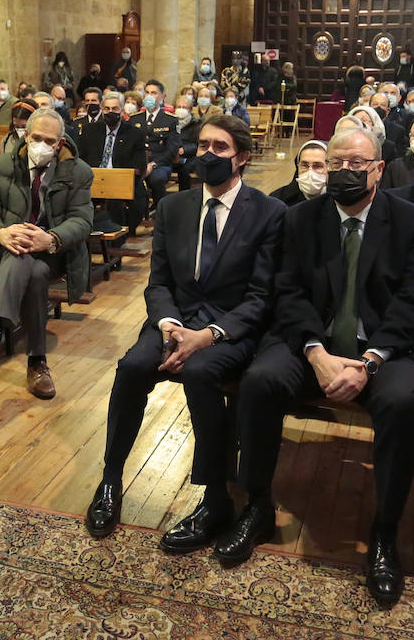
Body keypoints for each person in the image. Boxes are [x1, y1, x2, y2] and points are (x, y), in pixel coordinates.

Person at [221, 126, 414, 608]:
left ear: (378, 168)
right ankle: (256, 506)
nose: (343, 173)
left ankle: (384, 531)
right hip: (311, 341)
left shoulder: (413, 224)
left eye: (356, 164)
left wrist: (369, 362)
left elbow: (413, 304)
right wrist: (315, 354)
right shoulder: (299, 220)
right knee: (260, 381)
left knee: (404, 402)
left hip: (382, 348)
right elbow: (289, 292)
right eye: (335, 163)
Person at [86, 115, 286, 545]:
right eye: (202, 145)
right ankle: (110, 478)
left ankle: (216, 498)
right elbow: (158, 281)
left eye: (219, 148)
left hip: (229, 328)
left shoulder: (268, 213)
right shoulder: (175, 207)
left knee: (200, 373)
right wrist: (170, 325)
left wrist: (208, 335)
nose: (206, 155)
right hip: (173, 321)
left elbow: (260, 297)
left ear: (242, 158)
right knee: (132, 367)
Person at [0, 109, 94, 398]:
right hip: (11, 248)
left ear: (60, 143)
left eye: (50, 140)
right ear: (25, 136)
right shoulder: (1, 165)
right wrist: (0, 233)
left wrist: (51, 238)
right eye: (36, 138)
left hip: (55, 251)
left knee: (29, 260)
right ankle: (37, 362)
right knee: (29, 268)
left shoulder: (78, 171)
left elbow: (82, 221)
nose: (42, 145)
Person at [79, 91, 148, 227]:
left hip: (121, 181)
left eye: (115, 109)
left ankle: (117, 235)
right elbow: (80, 158)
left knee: (117, 200)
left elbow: (140, 165)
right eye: (107, 109)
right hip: (94, 179)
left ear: (122, 110)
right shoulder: (89, 130)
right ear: (102, 110)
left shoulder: (135, 133)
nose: (110, 112)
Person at [130, 80, 180, 206]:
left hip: (160, 163)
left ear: (163, 96)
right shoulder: (134, 118)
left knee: (157, 179)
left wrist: (153, 164)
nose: (149, 96)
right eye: (147, 92)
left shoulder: (170, 120)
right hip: (138, 162)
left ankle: (160, 209)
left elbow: (172, 149)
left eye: (153, 93)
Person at [270, 140, 329, 206]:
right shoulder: (278, 199)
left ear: (329, 168)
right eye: (304, 165)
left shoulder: (338, 202)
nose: (310, 172)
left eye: (318, 166)